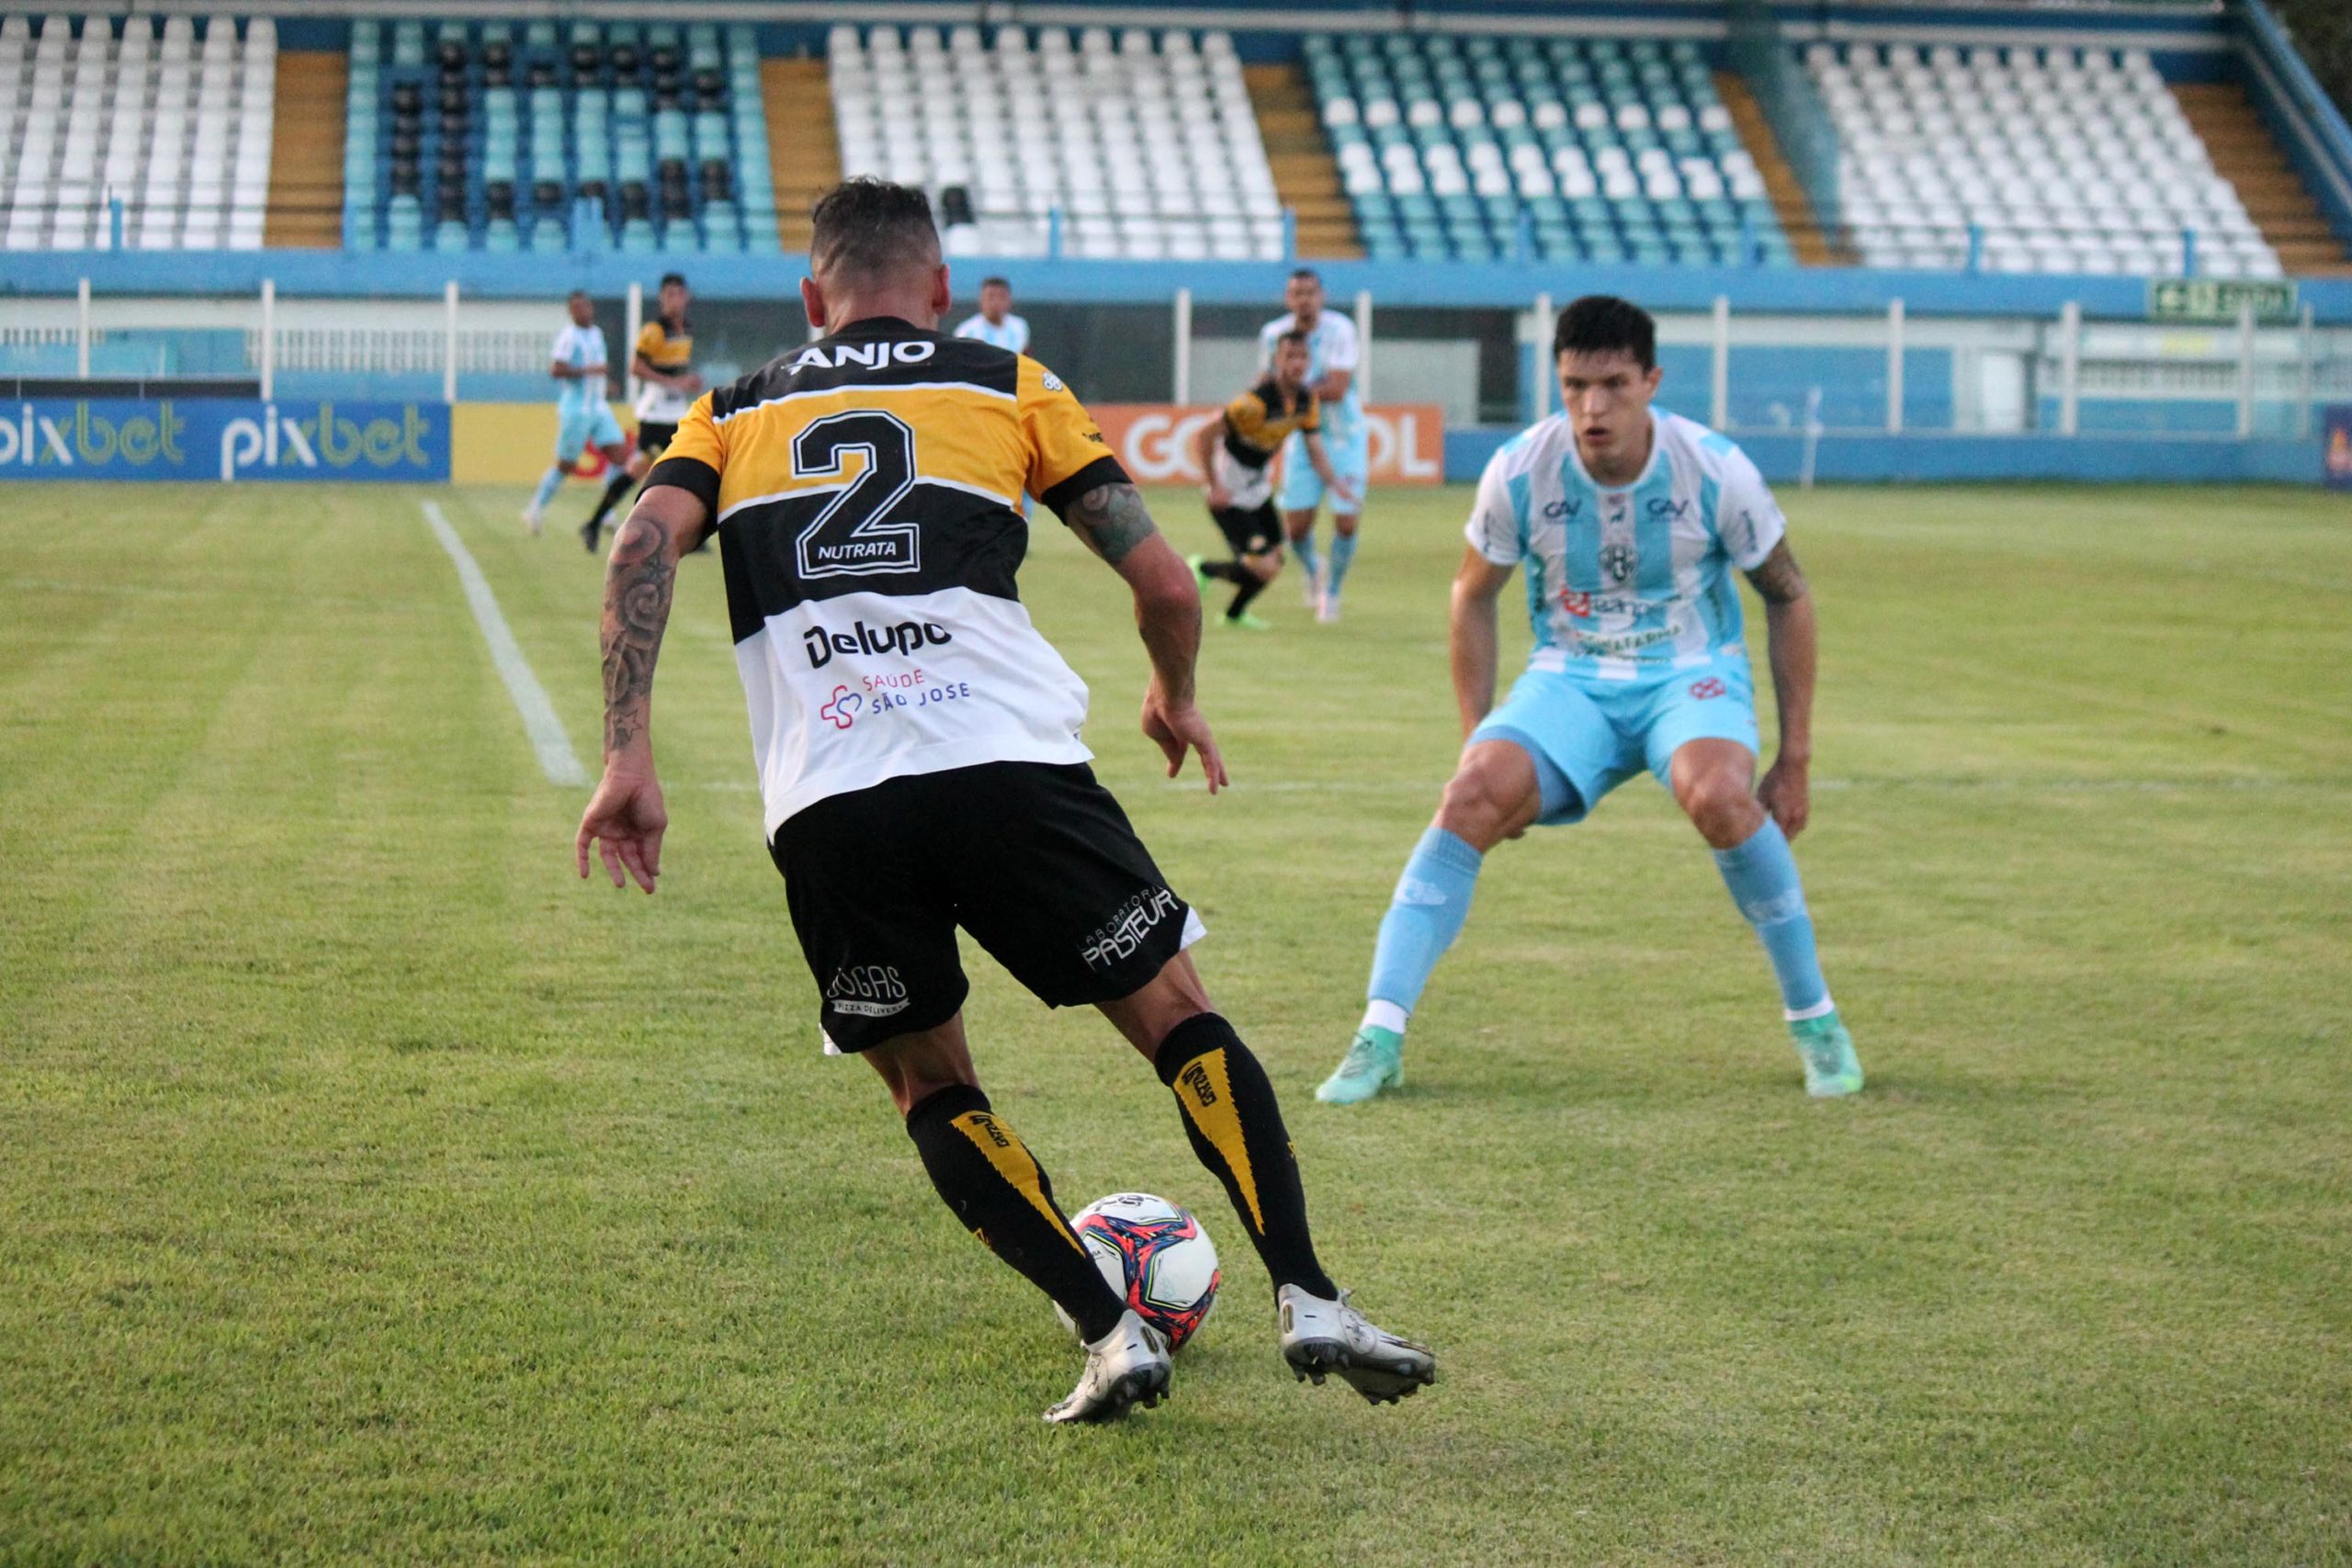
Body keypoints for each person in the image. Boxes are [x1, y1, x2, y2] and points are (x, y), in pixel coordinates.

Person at [572, 178, 1434, 1424]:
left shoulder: (731, 406)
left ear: (815, 298)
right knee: (1173, 1009)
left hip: (833, 796)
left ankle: (1108, 1332)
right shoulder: (1003, 380)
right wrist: (1172, 692)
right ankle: (1309, 1291)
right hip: (1011, 767)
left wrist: (626, 754)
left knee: (929, 1082)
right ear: (936, 288)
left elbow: (640, 547)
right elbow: (1165, 582)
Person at [1316, 295, 1864, 1106]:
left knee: (1718, 794)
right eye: (1575, 385)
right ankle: (1378, 1037)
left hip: (1689, 672)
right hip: (1570, 677)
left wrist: (1797, 756)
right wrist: (1480, 735)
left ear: (1651, 381)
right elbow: (1472, 595)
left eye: (1613, 384)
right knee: (1468, 796)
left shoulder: (1714, 469)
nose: (1593, 407)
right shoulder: (1520, 469)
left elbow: (1789, 592)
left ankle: (1817, 1023)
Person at [1184, 331, 1356, 630]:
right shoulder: (1253, 403)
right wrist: (1215, 486)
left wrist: (1335, 483)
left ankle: (1233, 615)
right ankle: (1201, 568)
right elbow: (1205, 435)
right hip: (1231, 493)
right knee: (1262, 564)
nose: (1297, 363)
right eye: (1290, 356)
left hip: (1259, 490)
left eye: (1303, 357)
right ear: (1277, 360)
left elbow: (1315, 450)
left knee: (1274, 562)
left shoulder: (1306, 401)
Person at [1258, 269, 1367, 623]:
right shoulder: (1274, 335)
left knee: (1347, 521)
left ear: (1321, 295)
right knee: (1297, 529)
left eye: (1310, 292)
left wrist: (1287, 391)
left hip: (1344, 438)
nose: (1304, 299)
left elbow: (1336, 388)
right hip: (1301, 441)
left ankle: (1331, 592)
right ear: (1288, 300)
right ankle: (1313, 568)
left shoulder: (1340, 330)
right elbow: (1265, 383)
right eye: (1296, 293)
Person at [581, 272, 703, 553]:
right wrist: (674, 382)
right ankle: (599, 522)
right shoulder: (653, 331)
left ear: (686, 297)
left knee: (685, 468)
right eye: (669, 295)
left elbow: (674, 369)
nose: (675, 300)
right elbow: (635, 368)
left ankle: (686, 533)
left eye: (679, 294)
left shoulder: (687, 329)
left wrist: (687, 381)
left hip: (675, 411)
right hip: (655, 414)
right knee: (644, 470)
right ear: (662, 298)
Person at [523, 291, 646, 536]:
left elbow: (597, 371)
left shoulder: (596, 333)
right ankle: (535, 509)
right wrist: (592, 371)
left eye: (586, 306)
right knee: (566, 465)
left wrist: (606, 383)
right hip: (576, 410)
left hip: (598, 407)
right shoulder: (569, 337)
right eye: (577, 308)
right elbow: (556, 370)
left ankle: (607, 512)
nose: (584, 311)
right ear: (571, 312)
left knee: (621, 456)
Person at [953, 275, 1029, 354]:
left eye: (1001, 297)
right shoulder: (967, 331)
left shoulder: (1019, 326)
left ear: (1010, 300)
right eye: (991, 297)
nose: (996, 302)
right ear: (981, 300)